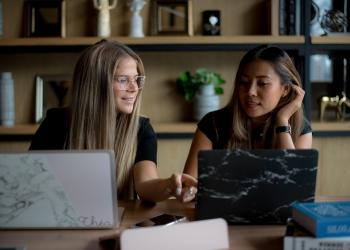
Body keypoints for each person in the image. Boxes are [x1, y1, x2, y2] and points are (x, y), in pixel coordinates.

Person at [30, 40, 197, 202]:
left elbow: (146, 184)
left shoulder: (142, 129)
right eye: (123, 80)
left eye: (137, 79)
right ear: (95, 85)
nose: (134, 88)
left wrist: (170, 185)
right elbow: (31, 182)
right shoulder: (56, 122)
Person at [183, 45, 312, 178]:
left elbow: (294, 186)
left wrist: (282, 121)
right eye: (244, 82)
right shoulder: (213, 124)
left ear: (285, 89)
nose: (250, 92)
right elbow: (189, 186)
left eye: (262, 83)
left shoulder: (299, 126)